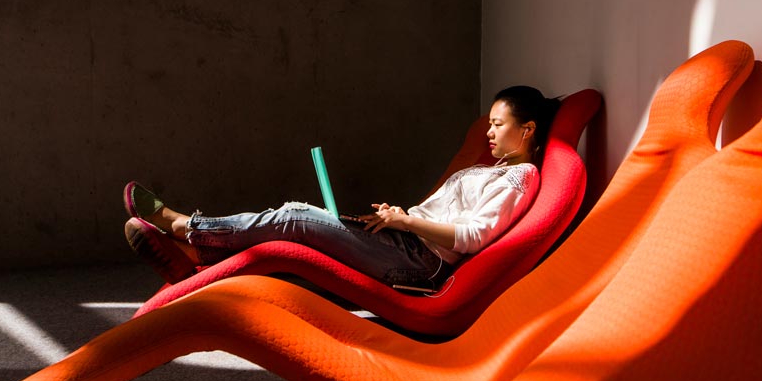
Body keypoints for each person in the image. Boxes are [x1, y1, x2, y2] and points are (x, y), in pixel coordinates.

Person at [123, 86, 560, 290]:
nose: (489, 133)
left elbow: (472, 237)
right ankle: (198, 256)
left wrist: (407, 221)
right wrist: (399, 220)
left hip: (422, 265)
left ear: (527, 130)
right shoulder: (499, 169)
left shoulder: (520, 178)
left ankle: (189, 230)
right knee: (297, 223)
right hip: (407, 243)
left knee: (296, 217)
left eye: (498, 125)